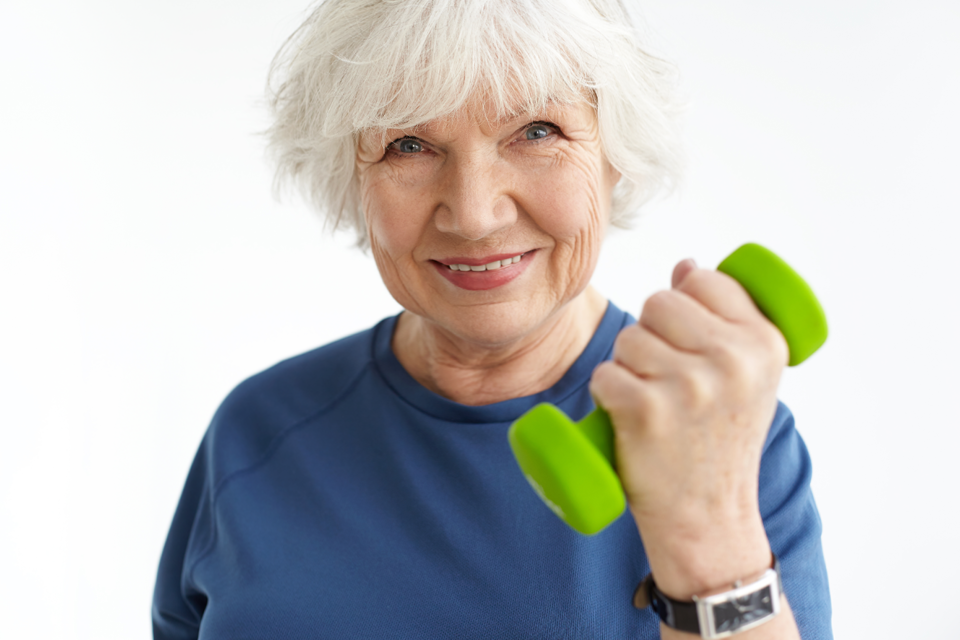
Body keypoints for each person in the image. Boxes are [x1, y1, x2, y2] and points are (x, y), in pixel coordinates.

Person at [152, 0, 831, 638]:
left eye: (537, 131)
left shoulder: (728, 433)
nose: (474, 214)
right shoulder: (255, 433)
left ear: (613, 159)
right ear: (352, 178)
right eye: (409, 145)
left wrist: (708, 538)